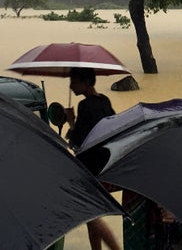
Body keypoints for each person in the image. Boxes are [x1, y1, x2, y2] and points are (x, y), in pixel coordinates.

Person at [64, 67, 121, 250]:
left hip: (89, 167)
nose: (71, 86)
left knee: (91, 214)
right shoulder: (105, 101)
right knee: (91, 214)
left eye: (75, 81)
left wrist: (71, 121)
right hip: (106, 162)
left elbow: (77, 142)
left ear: (86, 83)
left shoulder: (85, 105)